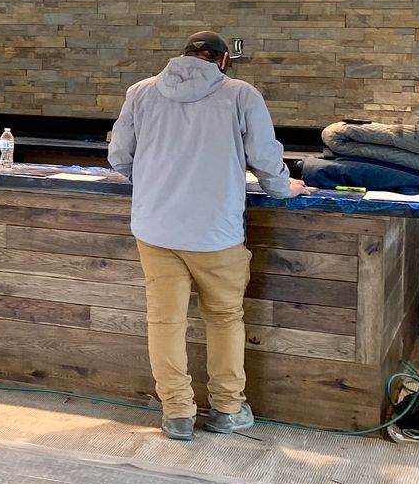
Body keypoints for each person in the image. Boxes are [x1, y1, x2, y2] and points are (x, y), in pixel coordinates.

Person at [108, 31, 293, 441]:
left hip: (156, 229)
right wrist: (284, 188)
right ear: (223, 60)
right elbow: (264, 157)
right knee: (225, 318)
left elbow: (120, 157)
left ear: (182, 57)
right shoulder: (240, 94)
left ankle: (177, 414)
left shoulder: (141, 92)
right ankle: (227, 409)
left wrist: (156, 180)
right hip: (216, 233)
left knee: (165, 320)